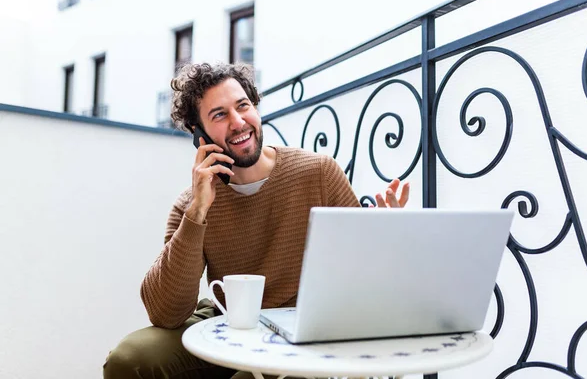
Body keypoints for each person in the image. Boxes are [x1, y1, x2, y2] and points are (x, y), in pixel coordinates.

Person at [103, 62, 410, 379]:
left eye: (243, 106)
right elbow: (165, 313)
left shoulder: (318, 172)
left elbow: (360, 280)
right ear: (199, 136)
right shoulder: (191, 203)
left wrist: (383, 237)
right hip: (229, 319)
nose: (238, 122)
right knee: (130, 360)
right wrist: (197, 212)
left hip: (301, 327)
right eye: (219, 115)